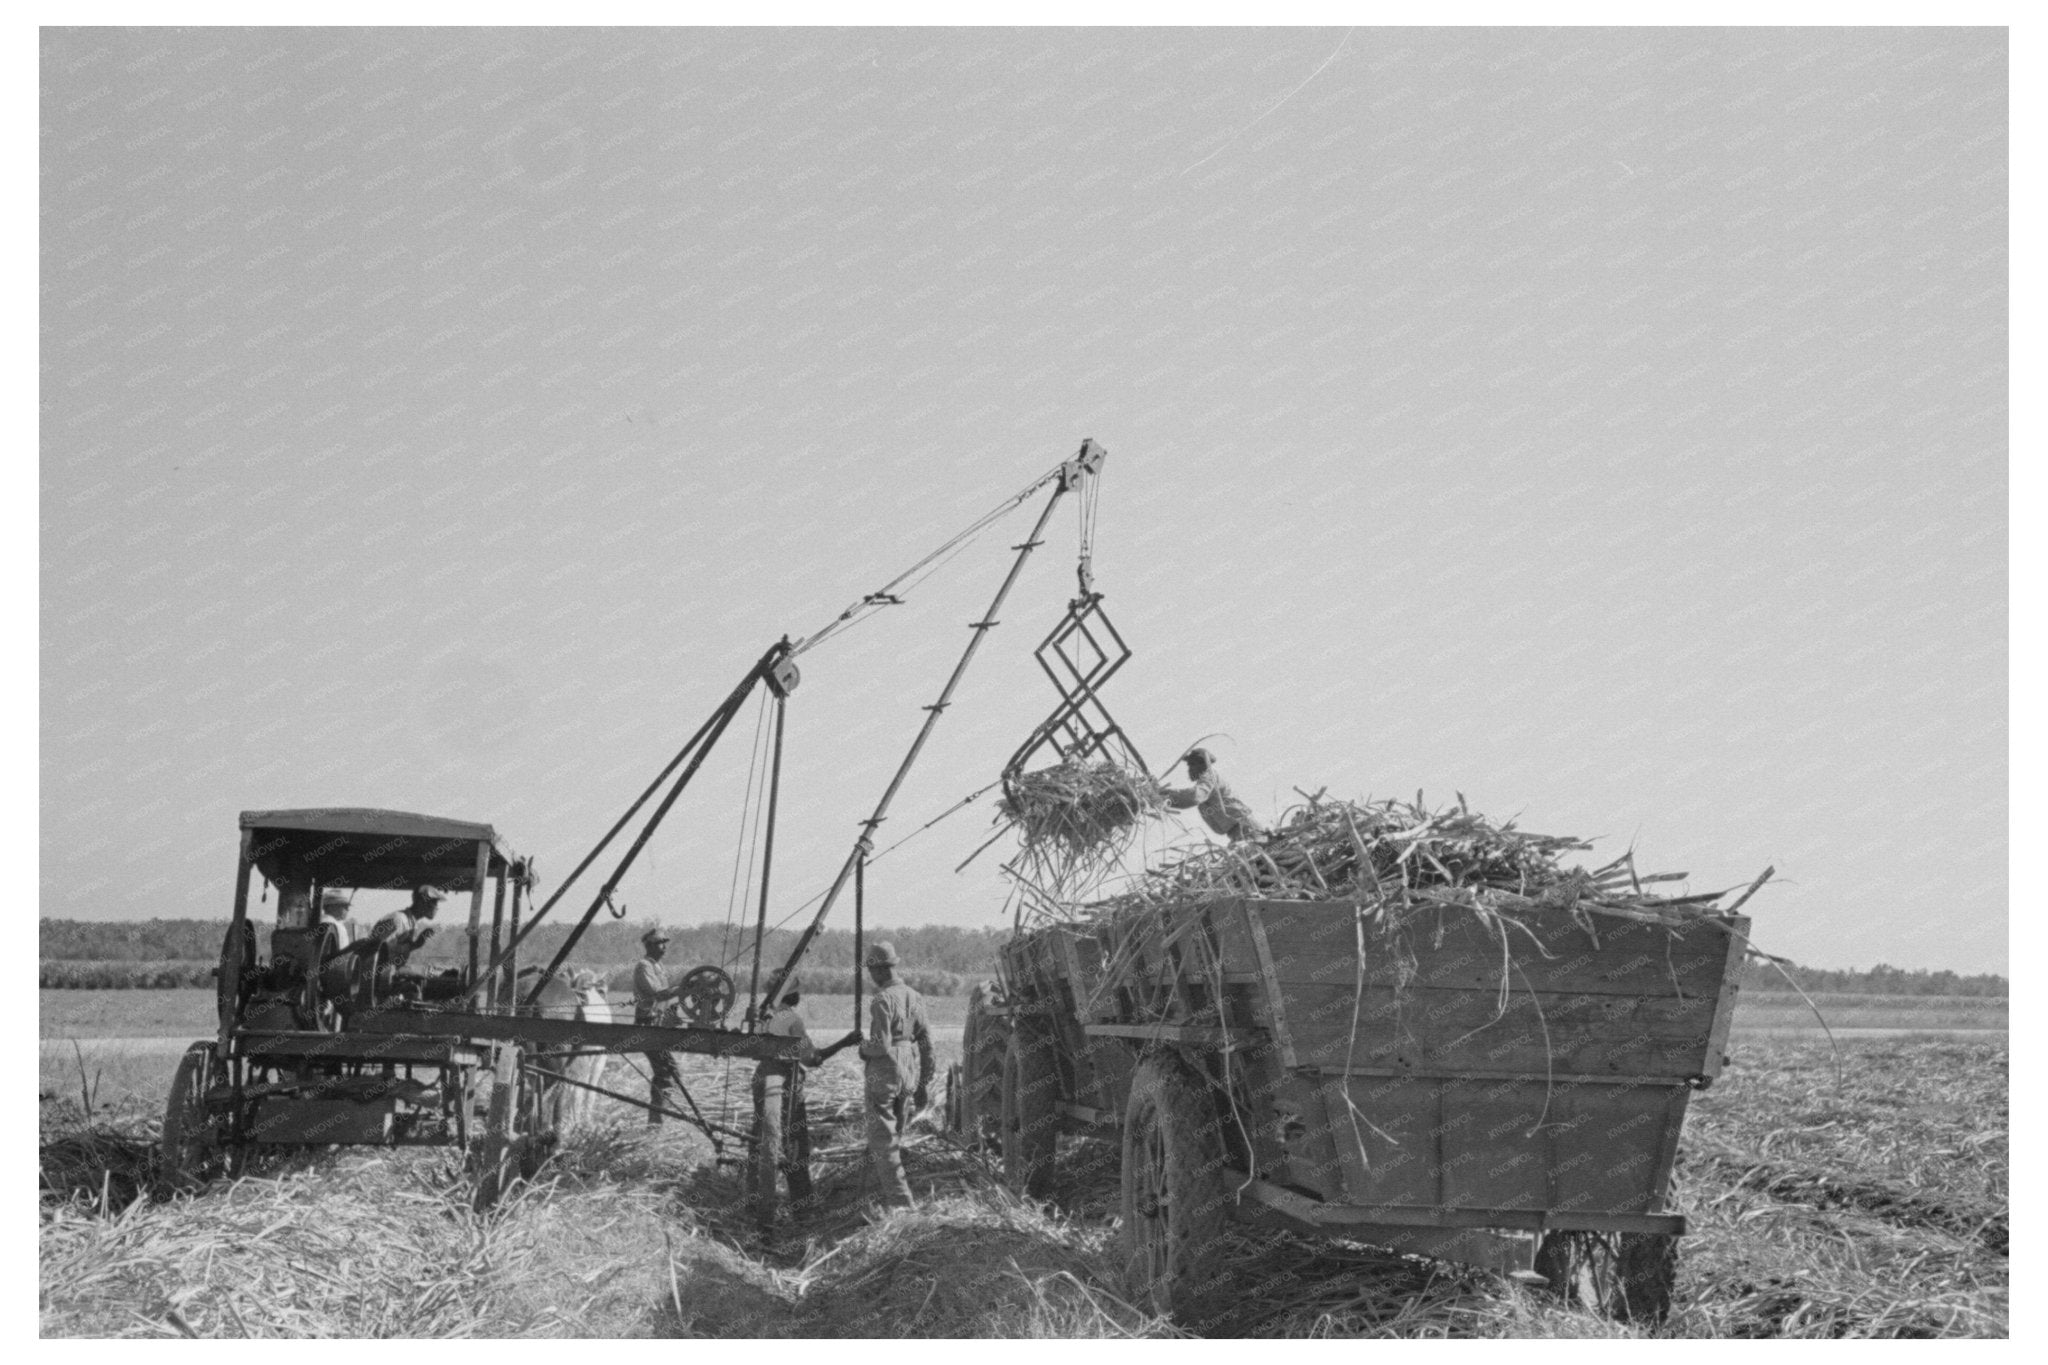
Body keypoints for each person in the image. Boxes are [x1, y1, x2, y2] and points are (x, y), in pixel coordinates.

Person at [749, 974, 857, 1223]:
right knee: (795, 1144)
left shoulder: (761, 1016)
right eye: (796, 991)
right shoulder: (792, 1019)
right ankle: (802, 1209)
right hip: (787, 1082)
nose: (799, 995)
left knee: (759, 1137)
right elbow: (812, 1059)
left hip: (762, 1077)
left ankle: (753, 1199)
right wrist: (845, 1042)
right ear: (789, 994)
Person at [857, 941, 934, 1209]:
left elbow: (880, 1045)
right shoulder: (915, 996)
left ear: (878, 970)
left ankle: (902, 1205)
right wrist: (924, 1083)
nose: (870, 976)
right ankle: (875, 1192)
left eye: (871, 970)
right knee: (895, 1137)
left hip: (885, 1070)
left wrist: (862, 1050)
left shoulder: (882, 1000)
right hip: (908, 1070)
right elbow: (926, 1043)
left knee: (883, 1141)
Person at [631, 926, 687, 1125]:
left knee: (668, 1072)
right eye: (659, 943)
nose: (663, 947)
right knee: (667, 1072)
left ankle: (658, 1119)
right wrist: (684, 988)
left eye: (664, 943)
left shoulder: (658, 967)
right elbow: (657, 994)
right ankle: (656, 1121)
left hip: (658, 1023)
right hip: (647, 1024)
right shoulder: (644, 966)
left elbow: (666, 997)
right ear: (649, 946)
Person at [1161, 747, 1266, 842]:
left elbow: (1195, 796)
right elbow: (1190, 797)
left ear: (1203, 764)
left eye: (1192, 764)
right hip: (1236, 832)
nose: (1189, 769)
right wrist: (1163, 796)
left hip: (1246, 829)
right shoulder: (1206, 781)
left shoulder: (1209, 776)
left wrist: (1165, 796)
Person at [369, 884, 447, 969]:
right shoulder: (399, 919)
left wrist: (417, 943)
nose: (436, 907)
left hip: (389, 974)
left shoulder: (412, 923)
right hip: (379, 977)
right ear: (421, 902)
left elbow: (398, 949)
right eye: (434, 902)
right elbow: (377, 950)